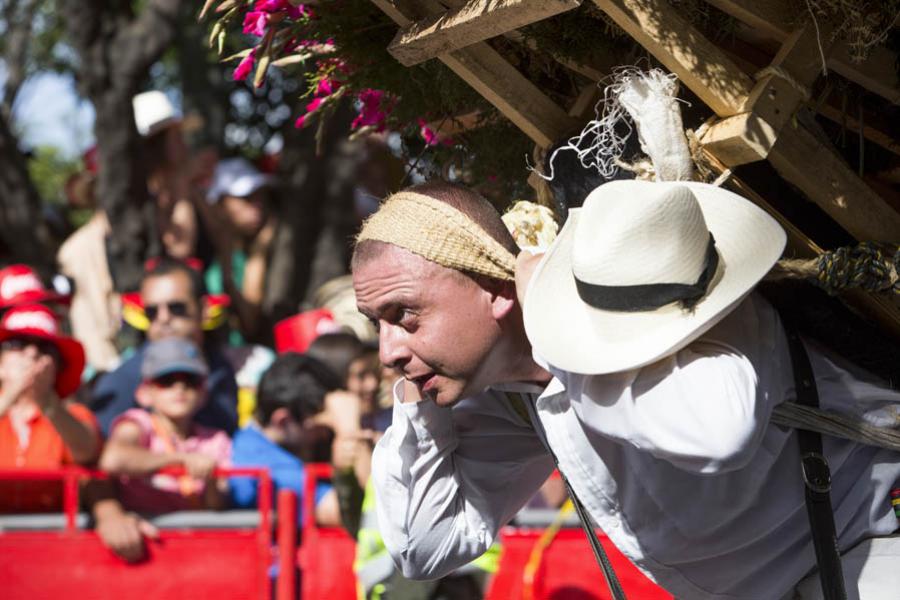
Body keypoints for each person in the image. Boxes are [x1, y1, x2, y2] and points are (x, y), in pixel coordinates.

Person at [352, 180, 900, 600]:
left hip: (875, 553)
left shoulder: (667, 298)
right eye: (376, 323)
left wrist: (555, 335)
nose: (388, 351)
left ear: (497, 289)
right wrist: (419, 410)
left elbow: (717, 434)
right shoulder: (508, 395)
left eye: (404, 314)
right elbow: (425, 547)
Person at [91, 258, 238, 436]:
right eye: (152, 312)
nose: (163, 318)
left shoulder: (221, 367)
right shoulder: (122, 381)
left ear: (204, 309)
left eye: (176, 308)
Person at [98, 338, 230, 514]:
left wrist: (211, 482)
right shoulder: (137, 424)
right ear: (144, 393)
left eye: (191, 380)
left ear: (203, 393)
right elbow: (113, 460)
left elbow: (218, 508)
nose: (179, 387)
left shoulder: (216, 440)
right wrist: (180, 459)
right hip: (145, 536)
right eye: (166, 380)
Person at [0, 304, 101, 512]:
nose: (32, 353)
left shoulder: (73, 415)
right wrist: (10, 396)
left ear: (57, 366)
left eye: (45, 347)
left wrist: (47, 403)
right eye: (18, 344)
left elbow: (86, 451)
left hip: (49, 539)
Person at [229, 352, 342, 525]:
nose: (326, 431)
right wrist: (349, 430)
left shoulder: (246, 442)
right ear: (283, 421)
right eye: (319, 423)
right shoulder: (269, 465)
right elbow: (335, 511)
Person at [199, 157, 277, 343]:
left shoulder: (256, 250)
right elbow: (249, 321)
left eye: (259, 195)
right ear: (218, 205)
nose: (257, 206)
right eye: (246, 198)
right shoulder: (206, 254)